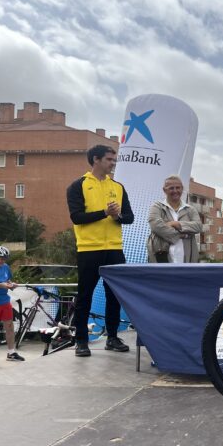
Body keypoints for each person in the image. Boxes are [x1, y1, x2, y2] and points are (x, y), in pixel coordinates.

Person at [66, 145, 134, 357]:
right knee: (85, 295)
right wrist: (105, 213)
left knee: (114, 295)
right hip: (89, 249)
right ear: (96, 160)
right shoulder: (78, 186)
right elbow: (77, 217)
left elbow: (129, 218)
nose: (113, 163)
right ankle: (81, 341)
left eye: (114, 160)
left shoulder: (118, 187)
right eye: (109, 159)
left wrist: (117, 216)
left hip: (114, 248)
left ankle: (112, 337)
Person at [147, 175, 203, 263]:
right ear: (164, 190)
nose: (175, 191)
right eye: (171, 188)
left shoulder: (190, 209)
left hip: (186, 260)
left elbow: (198, 226)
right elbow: (156, 226)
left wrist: (177, 224)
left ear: (182, 189)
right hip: (162, 257)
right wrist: (181, 235)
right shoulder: (157, 206)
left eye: (178, 188)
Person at [0, 246, 25, 361]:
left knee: (9, 326)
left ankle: (11, 352)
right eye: (1, 258)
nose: (3, 261)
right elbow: (2, 283)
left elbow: (8, 280)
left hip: (4, 301)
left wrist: (12, 285)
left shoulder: (6, 267)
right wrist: (2, 285)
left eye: (4, 259)